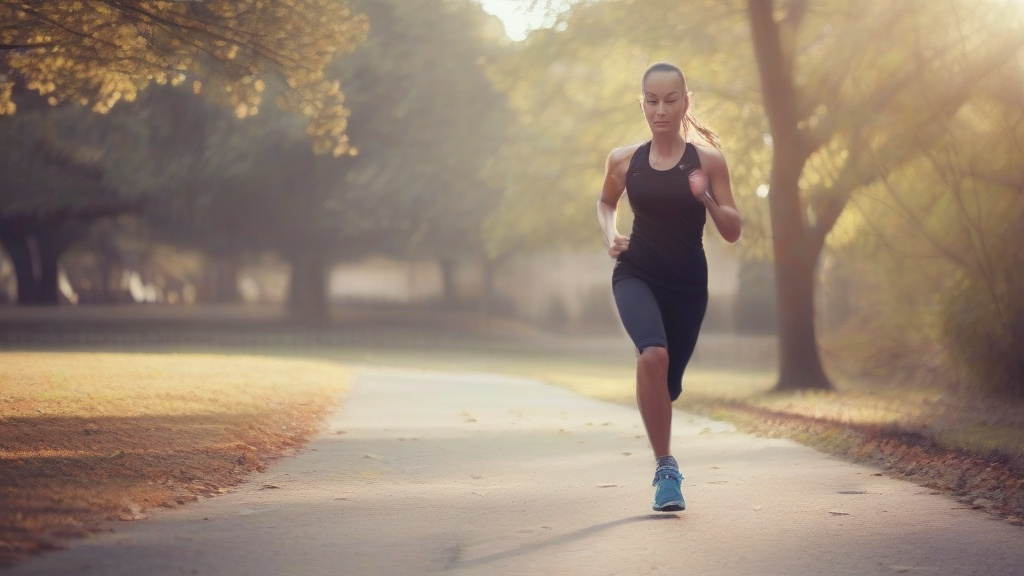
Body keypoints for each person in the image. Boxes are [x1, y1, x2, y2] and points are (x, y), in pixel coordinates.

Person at [596, 62, 742, 512]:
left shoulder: (708, 161)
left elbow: (733, 229)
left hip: (687, 285)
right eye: (652, 101)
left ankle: (656, 395)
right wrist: (611, 236)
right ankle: (666, 470)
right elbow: (605, 202)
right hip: (636, 271)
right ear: (642, 103)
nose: (661, 110)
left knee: (667, 384)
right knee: (652, 355)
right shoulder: (624, 160)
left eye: (670, 100)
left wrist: (707, 197)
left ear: (685, 103)